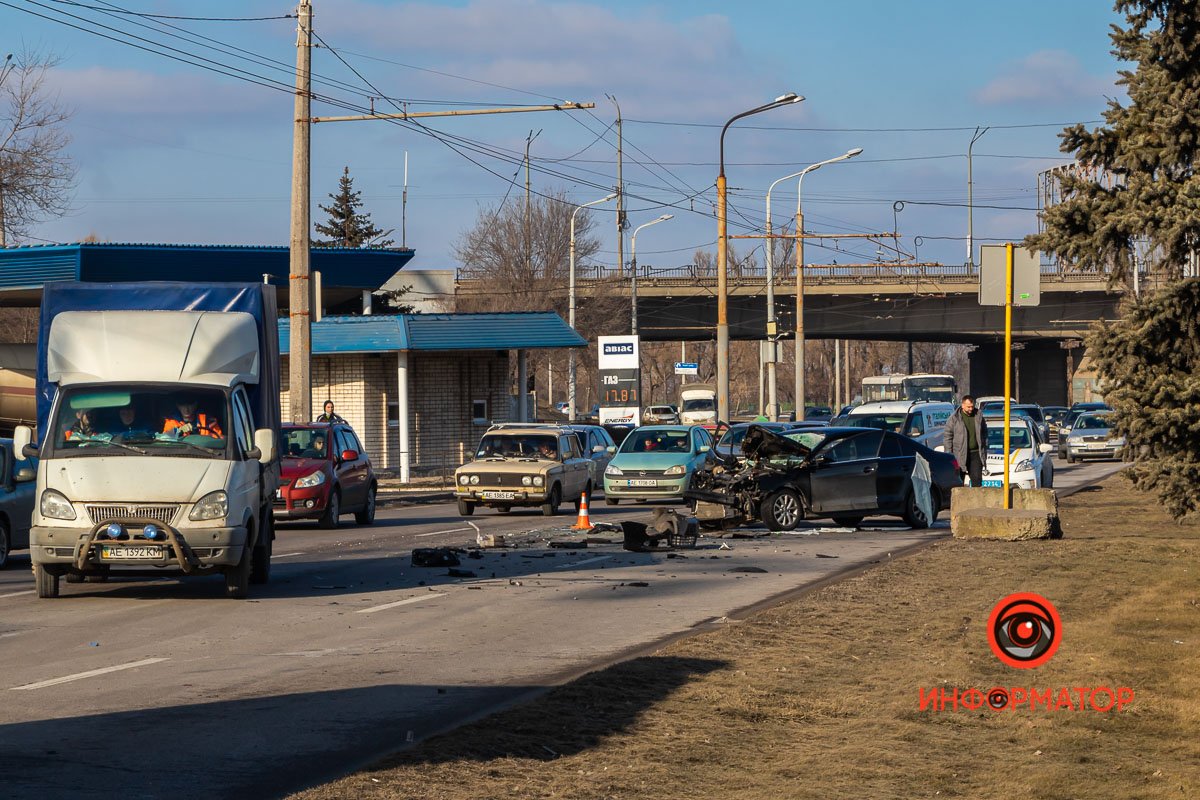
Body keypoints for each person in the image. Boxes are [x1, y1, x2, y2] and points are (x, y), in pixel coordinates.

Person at [944, 394, 987, 487]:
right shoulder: (954, 418)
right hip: (959, 454)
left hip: (975, 454)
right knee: (958, 480)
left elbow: (984, 432)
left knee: (977, 481)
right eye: (968, 407)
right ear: (962, 405)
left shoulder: (978, 416)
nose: (971, 409)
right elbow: (948, 437)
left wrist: (984, 446)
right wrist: (948, 454)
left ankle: (976, 500)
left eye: (972, 406)